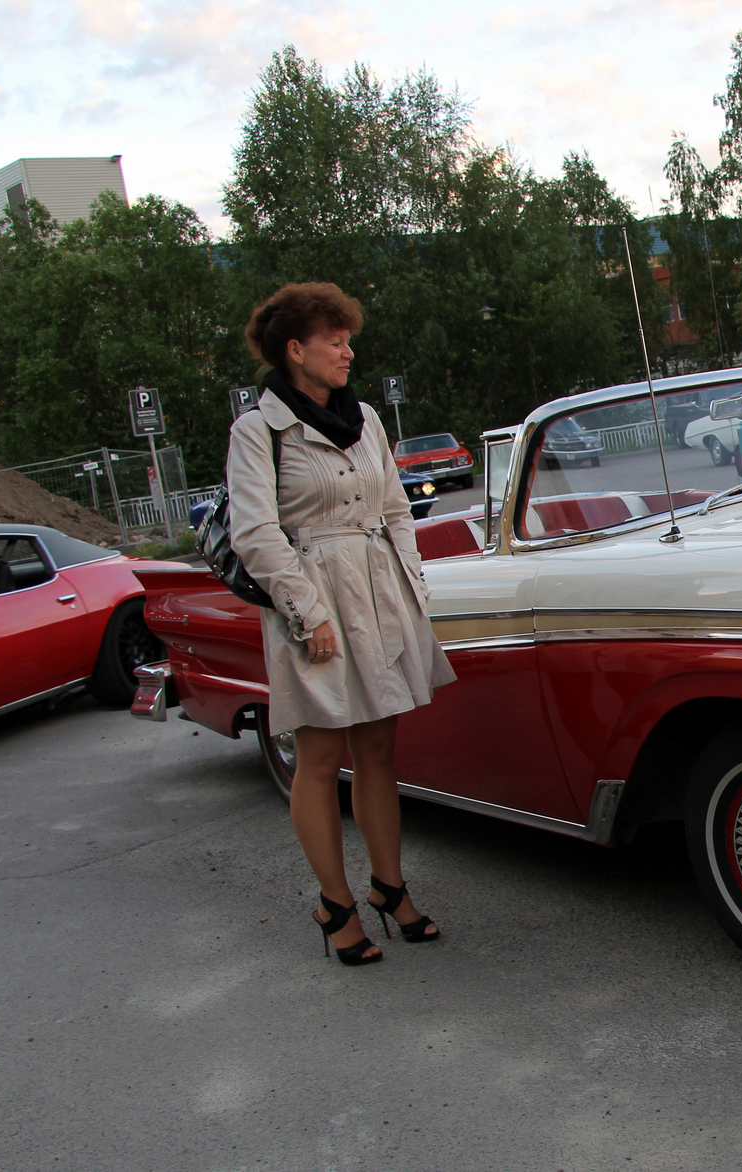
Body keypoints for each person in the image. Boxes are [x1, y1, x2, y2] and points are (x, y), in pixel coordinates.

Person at [227, 282, 456, 967]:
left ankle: (390, 887)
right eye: (335, 341)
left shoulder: (365, 419)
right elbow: (256, 533)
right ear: (296, 350)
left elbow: (395, 510)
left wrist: (413, 590)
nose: (348, 352)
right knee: (321, 759)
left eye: (348, 340)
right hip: (313, 600)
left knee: (379, 750)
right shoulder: (259, 431)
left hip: (378, 592)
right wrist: (309, 613)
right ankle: (336, 905)